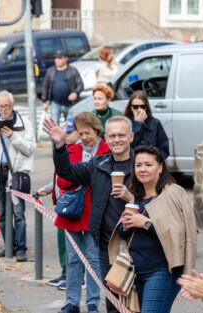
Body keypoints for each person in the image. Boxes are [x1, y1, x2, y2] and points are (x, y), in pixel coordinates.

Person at [44, 115, 135, 313]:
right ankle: (76, 302)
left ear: (131, 137)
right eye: (112, 136)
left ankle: (92, 303)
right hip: (105, 242)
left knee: (135, 300)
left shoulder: (142, 165)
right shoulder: (98, 164)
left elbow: (156, 201)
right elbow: (66, 172)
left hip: (134, 243)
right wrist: (59, 145)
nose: (116, 139)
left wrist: (131, 198)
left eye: (121, 135)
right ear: (107, 138)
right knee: (113, 301)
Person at [108, 145, 197, 313]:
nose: (143, 169)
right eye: (138, 165)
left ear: (160, 167)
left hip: (163, 271)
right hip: (136, 272)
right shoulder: (137, 196)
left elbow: (179, 235)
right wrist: (127, 225)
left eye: (148, 165)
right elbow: (124, 234)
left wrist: (146, 223)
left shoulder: (172, 193)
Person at [54, 112, 110, 313]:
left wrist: (82, 175)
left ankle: (93, 303)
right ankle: (72, 302)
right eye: (81, 133)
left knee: (93, 259)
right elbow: (61, 180)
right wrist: (81, 177)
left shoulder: (107, 150)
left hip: (95, 213)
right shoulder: (71, 149)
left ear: (97, 130)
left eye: (88, 133)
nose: (84, 137)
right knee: (73, 258)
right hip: (72, 213)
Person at [0, 90, 36, 262]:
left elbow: (30, 149)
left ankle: (20, 248)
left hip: (16, 174)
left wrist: (13, 137)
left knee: (18, 213)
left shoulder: (24, 123)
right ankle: (9, 245)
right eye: (1, 106)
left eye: (7, 106)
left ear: (13, 106)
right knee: (2, 214)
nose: (4, 109)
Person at [38, 118, 80, 290]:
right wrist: (49, 187)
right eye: (65, 131)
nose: (66, 135)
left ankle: (78, 277)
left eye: (70, 132)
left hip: (72, 204)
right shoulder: (63, 148)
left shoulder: (77, 150)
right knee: (62, 241)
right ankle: (65, 272)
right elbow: (57, 174)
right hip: (61, 203)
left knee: (75, 245)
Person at [41, 50, 84, 124]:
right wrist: (44, 101)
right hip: (55, 103)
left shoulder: (73, 70)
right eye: (56, 58)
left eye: (59, 58)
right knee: (54, 125)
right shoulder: (50, 71)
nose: (57, 60)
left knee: (71, 126)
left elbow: (80, 84)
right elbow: (45, 86)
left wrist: (75, 93)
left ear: (65, 59)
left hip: (70, 104)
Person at [123, 90, 169, 158]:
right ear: (131, 108)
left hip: (151, 164)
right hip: (131, 164)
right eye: (135, 107)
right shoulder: (124, 123)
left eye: (142, 106)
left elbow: (164, 149)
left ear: (146, 107)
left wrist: (154, 159)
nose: (139, 110)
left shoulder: (155, 123)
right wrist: (137, 124)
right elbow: (126, 148)